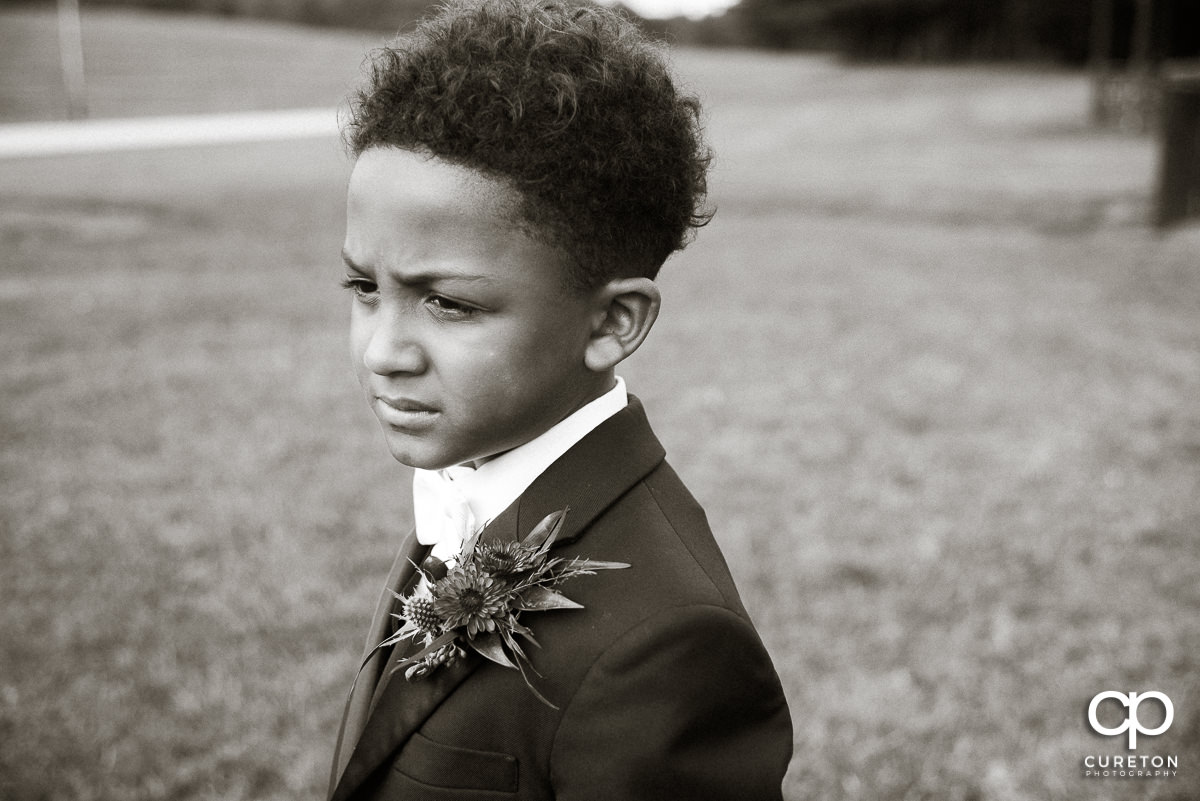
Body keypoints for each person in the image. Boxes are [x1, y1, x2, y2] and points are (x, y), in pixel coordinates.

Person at [328, 1, 793, 798]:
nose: (381, 352)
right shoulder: (465, 490)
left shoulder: (667, 646)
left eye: (450, 304)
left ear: (613, 322)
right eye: (365, 287)